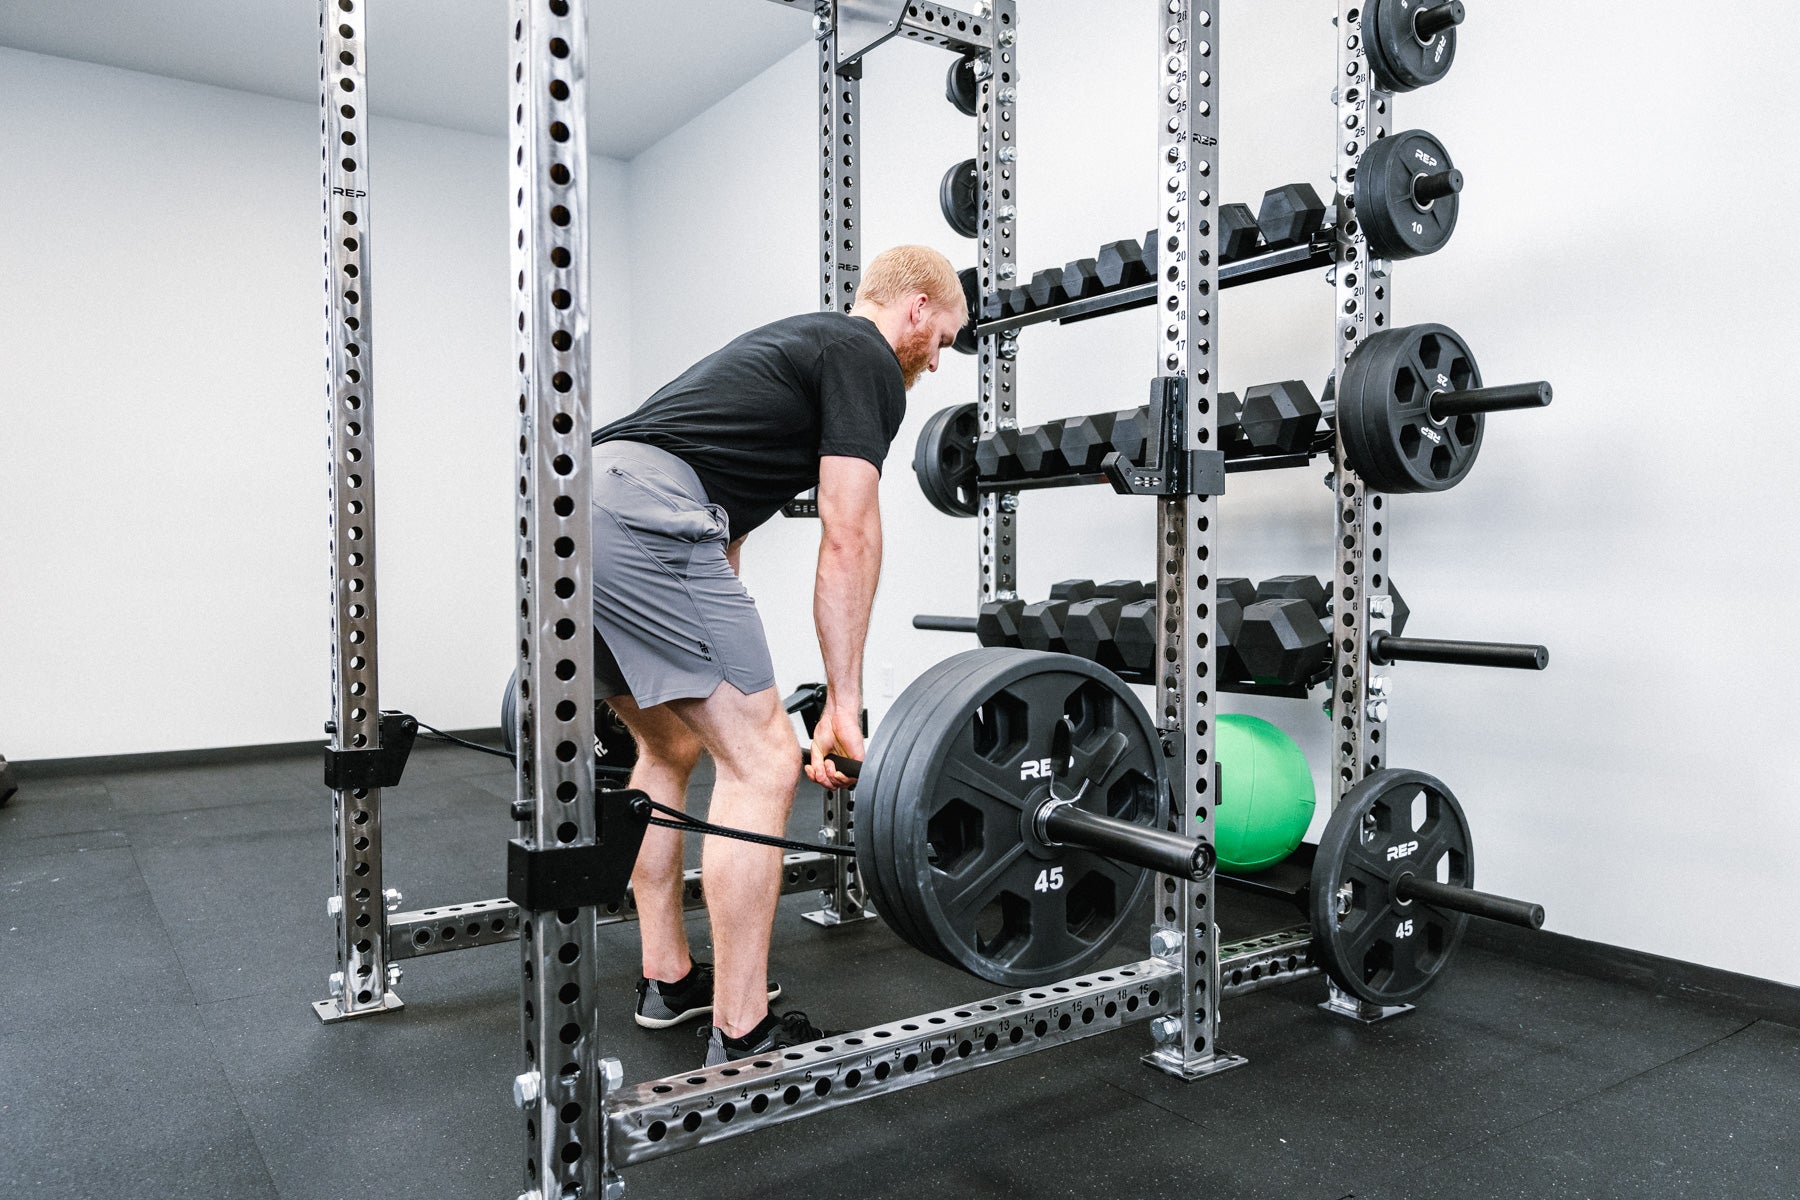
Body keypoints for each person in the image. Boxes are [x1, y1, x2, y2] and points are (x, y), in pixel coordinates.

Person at [586, 245, 968, 1065]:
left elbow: (728, 528)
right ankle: (744, 1028)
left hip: (576, 509)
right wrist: (842, 703)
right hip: (643, 514)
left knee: (670, 743)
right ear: (914, 309)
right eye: (943, 336)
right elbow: (850, 533)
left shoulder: (791, 351)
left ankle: (667, 975)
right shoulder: (864, 357)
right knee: (763, 765)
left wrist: (733, 679)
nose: (939, 360)